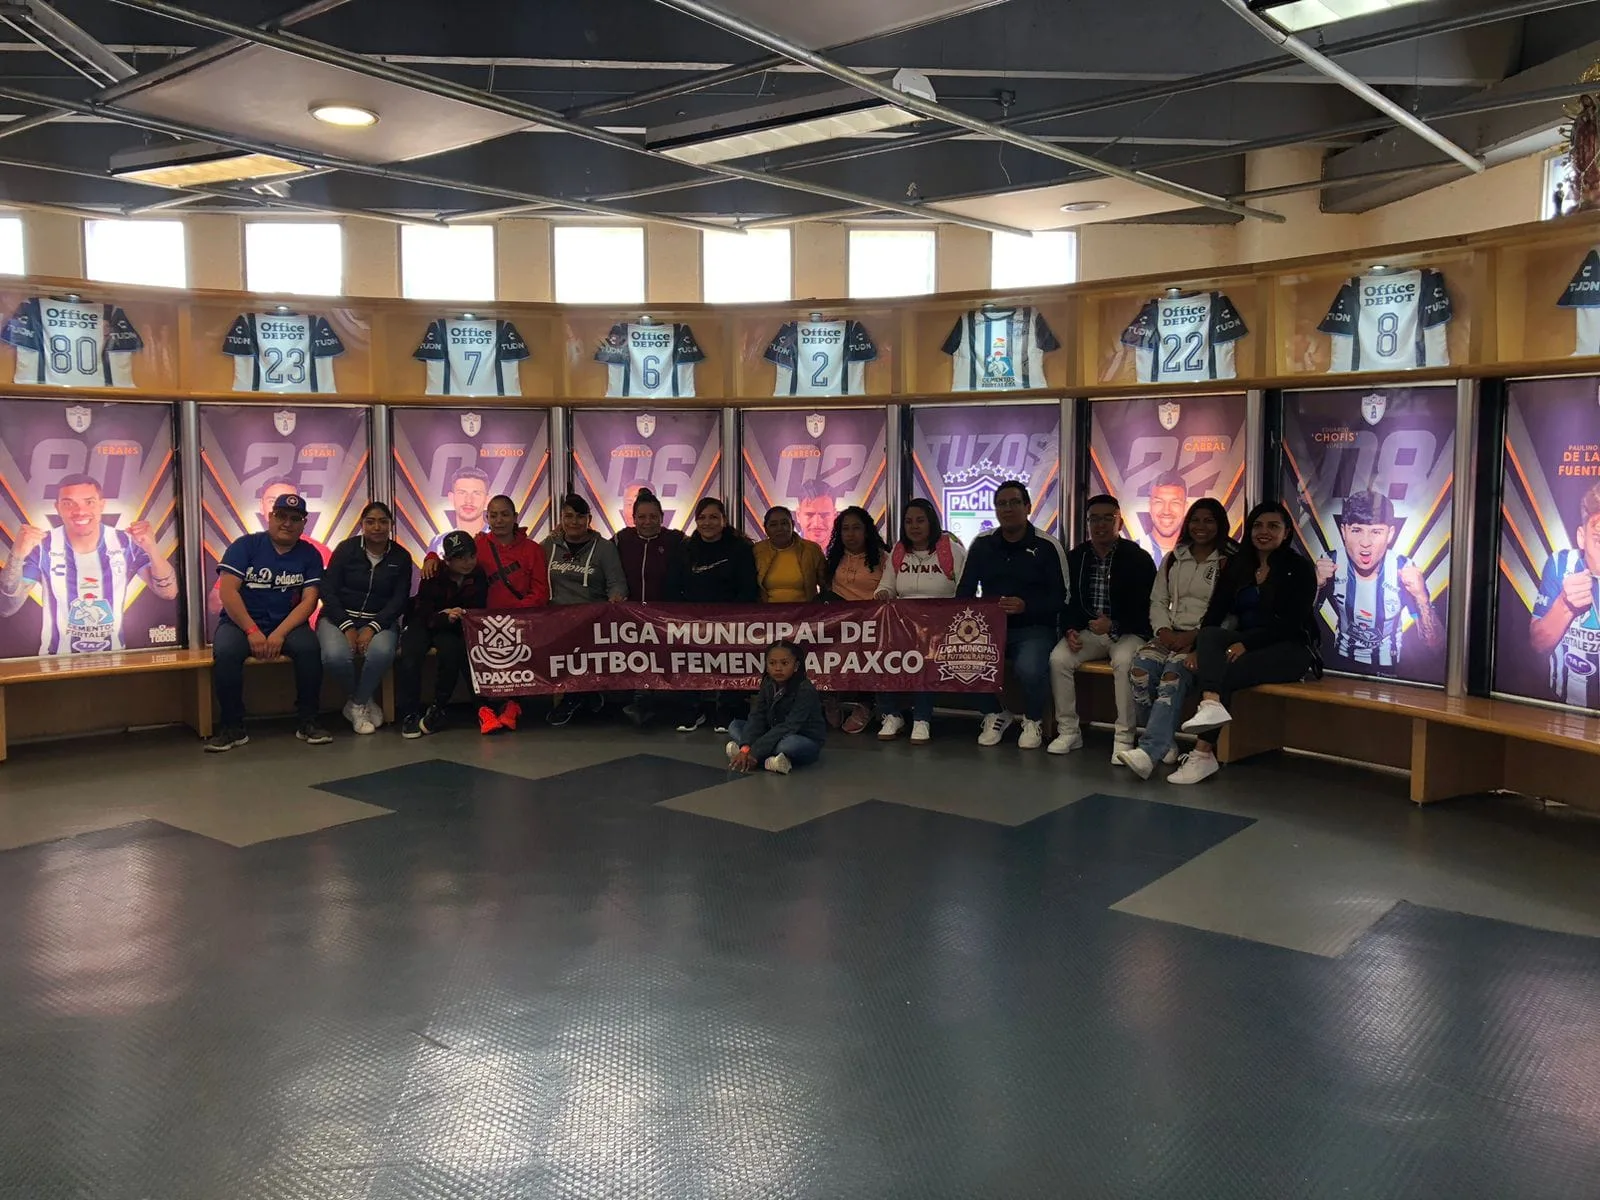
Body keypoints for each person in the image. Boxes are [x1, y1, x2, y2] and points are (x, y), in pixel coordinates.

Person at [1168, 501, 1320, 785]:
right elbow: (1216, 610)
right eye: (1257, 526)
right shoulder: (1240, 564)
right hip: (1247, 643)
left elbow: (1290, 624)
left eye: (1273, 526)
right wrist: (1198, 647)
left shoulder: (1298, 568)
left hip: (1289, 648)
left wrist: (1246, 645)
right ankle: (1211, 703)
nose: (1264, 532)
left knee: (1226, 669)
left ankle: (1202, 755)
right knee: (1211, 636)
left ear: (1286, 533)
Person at [1115, 498, 1236, 779]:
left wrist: (1196, 637)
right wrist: (1163, 631)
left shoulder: (1230, 561)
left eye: (1208, 520)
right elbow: (1158, 600)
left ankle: (1148, 751)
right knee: (1140, 670)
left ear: (1219, 525)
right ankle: (1165, 741)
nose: (1200, 526)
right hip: (1170, 634)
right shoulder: (1173, 558)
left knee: (1173, 676)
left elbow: (1231, 613)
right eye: (1195, 520)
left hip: (1204, 640)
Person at [0, 472, 179, 655]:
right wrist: (17, 554)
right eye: (69, 504)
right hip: (55, 662)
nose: (79, 511)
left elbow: (169, 592)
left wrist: (153, 550)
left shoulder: (127, 543)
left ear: (102, 505)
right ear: (58, 508)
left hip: (115, 658)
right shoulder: (42, 546)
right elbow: (7, 607)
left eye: (89, 502)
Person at [205, 491, 329, 751]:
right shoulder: (245, 546)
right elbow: (228, 592)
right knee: (226, 652)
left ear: (304, 523)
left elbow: (309, 601)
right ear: (270, 517)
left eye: (295, 518)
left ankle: (308, 721)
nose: (287, 523)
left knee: (310, 650)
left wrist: (279, 634)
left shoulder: (310, 554)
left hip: (287, 624)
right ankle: (232, 727)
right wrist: (251, 630)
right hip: (240, 623)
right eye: (281, 516)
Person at [954, 480, 1067, 750]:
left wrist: (1026, 605)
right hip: (990, 627)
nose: (1008, 509)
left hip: (1034, 627)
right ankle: (995, 713)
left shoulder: (1047, 545)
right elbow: (965, 591)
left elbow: (1062, 599)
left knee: (1028, 667)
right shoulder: (982, 544)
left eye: (1014, 502)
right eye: (1001, 504)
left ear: (1027, 507)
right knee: (959, 659)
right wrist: (974, 617)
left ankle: (1033, 719)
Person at [1048, 494, 1157, 761]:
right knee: (1058, 659)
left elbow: (1147, 608)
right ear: (1087, 523)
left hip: (1129, 633)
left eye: (1108, 518)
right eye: (1094, 519)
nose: (1101, 524)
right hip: (1090, 631)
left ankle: (1124, 737)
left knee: (1123, 662)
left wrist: (1115, 624)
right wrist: (1070, 630)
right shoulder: (1076, 557)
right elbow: (1066, 599)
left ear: (1119, 521)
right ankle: (1069, 731)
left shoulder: (1138, 558)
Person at [1314, 489, 1443, 677]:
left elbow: (1435, 645)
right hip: (1340, 667)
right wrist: (1315, 585)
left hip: (1388, 672)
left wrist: (1421, 597)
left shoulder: (1402, 569)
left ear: (1390, 534)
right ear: (1344, 531)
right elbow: (1296, 628)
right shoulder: (1331, 563)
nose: (1366, 543)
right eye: (1357, 530)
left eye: (1376, 531)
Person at [317, 501, 414, 736]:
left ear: (390, 525)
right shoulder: (346, 549)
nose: (377, 527)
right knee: (335, 657)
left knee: (381, 653)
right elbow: (327, 590)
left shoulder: (400, 557)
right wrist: (347, 625)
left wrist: (372, 627)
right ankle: (363, 700)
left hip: (380, 621)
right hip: (337, 619)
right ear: (362, 525)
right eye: (370, 522)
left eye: (383, 522)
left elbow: (399, 600)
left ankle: (356, 704)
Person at [874, 498, 966, 744]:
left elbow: (964, 589)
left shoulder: (951, 549)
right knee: (880, 653)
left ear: (931, 522)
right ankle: (891, 714)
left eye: (920, 520)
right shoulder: (898, 551)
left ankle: (922, 718)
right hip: (903, 624)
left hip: (941, 627)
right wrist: (883, 594)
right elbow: (886, 586)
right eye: (908, 522)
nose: (914, 526)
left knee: (925, 656)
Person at [668, 496, 759, 732]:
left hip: (731, 621)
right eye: (702, 517)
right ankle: (692, 711)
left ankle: (727, 712)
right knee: (689, 663)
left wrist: (730, 616)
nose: (708, 522)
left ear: (724, 520)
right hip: (691, 622)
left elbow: (748, 587)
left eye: (714, 517)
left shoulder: (740, 549)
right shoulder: (685, 549)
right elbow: (673, 585)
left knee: (730, 664)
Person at [542, 493, 627, 726]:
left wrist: (616, 600)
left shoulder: (605, 548)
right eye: (568, 516)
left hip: (592, 617)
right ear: (561, 518)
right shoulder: (549, 545)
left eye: (580, 517)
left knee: (584, 639)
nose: (574, 522)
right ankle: (585, 696)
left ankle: (573, 698)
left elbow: (616, 583)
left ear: (589, 519)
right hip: (556, 617)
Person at [396, 530, 490, 739]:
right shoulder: (434, 572)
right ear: (447, 560)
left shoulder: (478, 574)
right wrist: (442, 616)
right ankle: (410, 713)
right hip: (424, 622)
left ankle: (438, 707)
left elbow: (479, 608)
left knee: (451, 652)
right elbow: (422, 611)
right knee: (411, 654)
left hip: (454, 626)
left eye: (471, 556)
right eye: (460, 558)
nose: (467, 562)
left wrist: (461, 615)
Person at [474, 494, 551, 735]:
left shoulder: (533, 550)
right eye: (493, 515)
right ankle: (485, 708)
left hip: (521, 621)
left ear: (515, 517)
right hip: (482, 624)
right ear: (487, 517)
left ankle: (514, 705)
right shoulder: (477, 545)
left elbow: (541, 591)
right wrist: (432, 557)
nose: (499, 520)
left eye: (505, 514)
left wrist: (512, 616)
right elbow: (451, 561)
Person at [613, 487, 686, 725]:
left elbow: (706, 542)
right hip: (631, 617)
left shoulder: (675, 540)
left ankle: (669, 703)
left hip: (666, 617)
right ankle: (641, 701)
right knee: (638, 658)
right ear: (633, 519)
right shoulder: (621, 539)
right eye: (642, 517)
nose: (647, 522)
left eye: (653, 517)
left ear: (662, 518)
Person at [1529, 480, 1600, 708]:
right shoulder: (1560, 565)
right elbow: (1537, 643)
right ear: (1582, 537)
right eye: (1599, 540)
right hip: (1559, 707)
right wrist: (1565, 605)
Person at [821, 506, 887, 734]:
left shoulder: (883, 557)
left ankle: (865, 705)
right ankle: (830, 698)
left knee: (866, 656)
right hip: (838, 625)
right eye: (845, 529)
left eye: (856, 528)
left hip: (871, 625)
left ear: (867, 531)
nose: (850, 534)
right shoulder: (834, 558)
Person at [724, 638, 826, 775]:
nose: (778, 668)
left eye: (784, 663)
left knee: (787, 745)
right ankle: (770, 761)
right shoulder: (767, 683)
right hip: (772, 732)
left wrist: (755, 751)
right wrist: (746, 747)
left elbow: (790, 726)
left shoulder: (804, 689)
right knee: (735, 726)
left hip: (800, 737)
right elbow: (757, 715)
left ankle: (755, 757)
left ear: (796, 666)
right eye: (772, 663)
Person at [753, 505, 825, 604]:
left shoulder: (811, 550)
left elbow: (825, 585)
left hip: (805, 614)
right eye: (773, 525)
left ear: (793, 525)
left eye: (784, 523)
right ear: (765, 529)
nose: (779, 528)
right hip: (768, 614)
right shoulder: (757, 551)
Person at [425, 467, 491, 555]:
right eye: (462, 492)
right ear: (451, 498)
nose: (469, 500)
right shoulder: (438, 543)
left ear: (487, 500)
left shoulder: (498, 538)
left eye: (477, 493)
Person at [1140, 472, 1189, 566]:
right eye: (1159, 502)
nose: (1166, 511)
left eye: (1175, 503)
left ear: (1185, 508)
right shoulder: (1130, 553)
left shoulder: (1200, 555)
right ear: (1149, 506)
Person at [796, 478, 839, 548]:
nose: (817, 523)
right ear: (798, 515)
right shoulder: (783, 552)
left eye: (824, 515)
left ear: (835, 516)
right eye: (809, 515)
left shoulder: (849, 551)